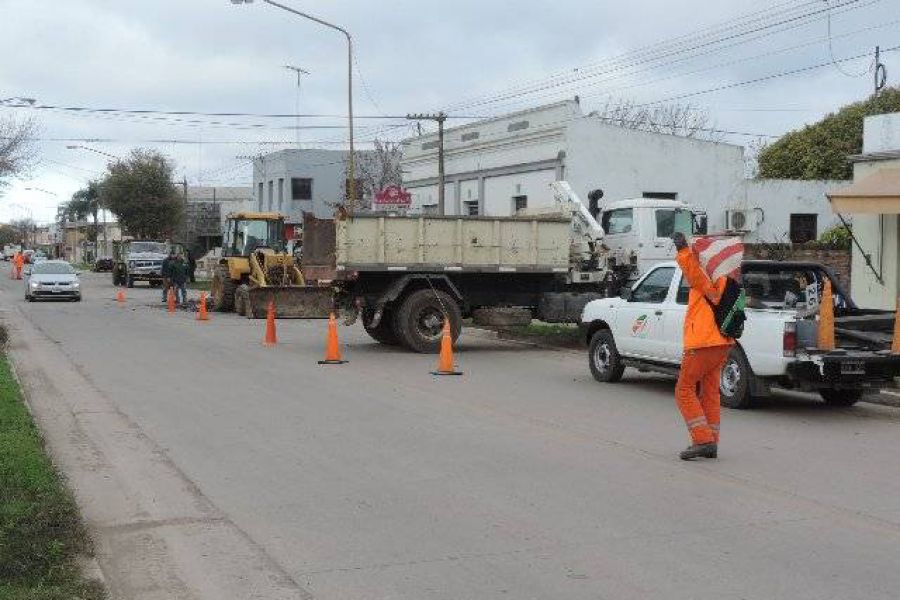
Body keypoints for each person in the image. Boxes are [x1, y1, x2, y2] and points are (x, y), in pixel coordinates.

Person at [672, 232, 734, 461]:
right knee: (709, 392)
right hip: (722, 342)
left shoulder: (706, 278)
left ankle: (702, 439)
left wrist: (682, 250)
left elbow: (692, 271)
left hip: (703, 342)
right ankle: (711, 441)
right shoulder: (726, 277)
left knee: (683, 390)